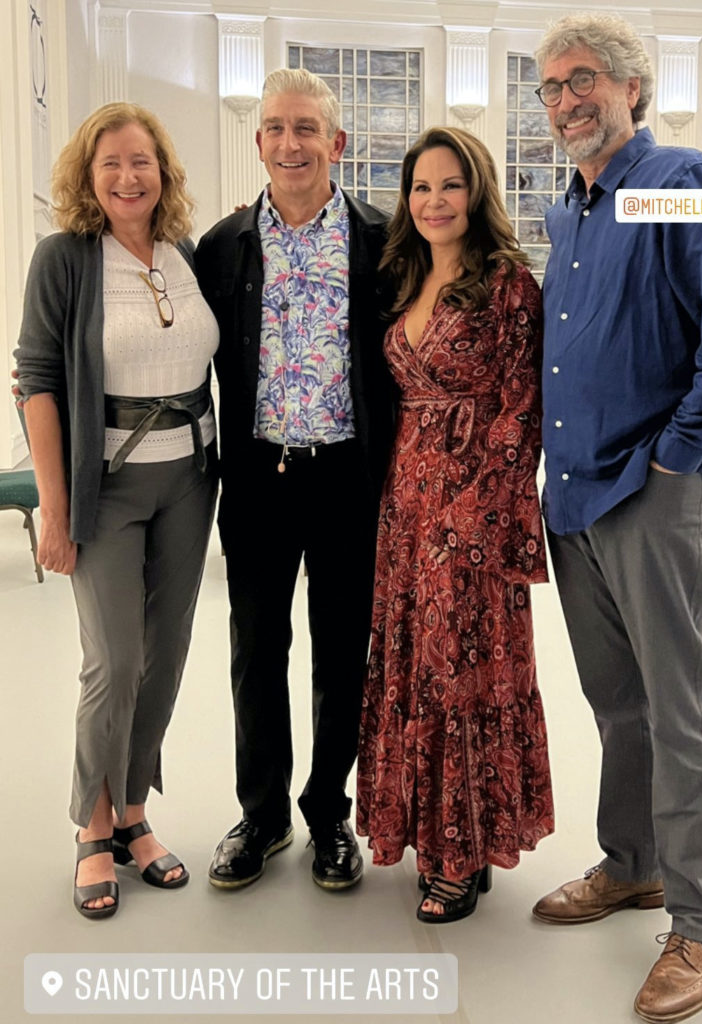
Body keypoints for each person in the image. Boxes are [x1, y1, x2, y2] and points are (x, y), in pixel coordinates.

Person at [531, 14, 702, 1023]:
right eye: (548, 88)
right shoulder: (565, 213)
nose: (565, 100)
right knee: (616, 703)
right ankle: (632, 865)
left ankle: (700, 923)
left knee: (679, 712)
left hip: (653, 491)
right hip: (575, 493)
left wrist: (677, 464)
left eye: (582, 79)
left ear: (632, 86)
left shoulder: (684, 179)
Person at [14, 103, 219, 919]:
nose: (129, 177)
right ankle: (91, 827)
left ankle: (135, 810)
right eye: (111, 165)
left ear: (163, 171)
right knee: (112, 664)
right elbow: (35, 378)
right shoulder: (64, 259)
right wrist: (55, 511)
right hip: (106, 489)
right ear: (87, 177)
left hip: (189, 483)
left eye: (142, 162)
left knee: (163, 658)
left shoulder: (185, 255)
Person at [194, 68, 395, 891]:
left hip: (349, 475)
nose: (290, 142)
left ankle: (327, 815)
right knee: (255, 649)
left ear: (335, 143)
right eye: (275, 127)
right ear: (259, 142)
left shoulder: (383, 241)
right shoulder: (222, 245)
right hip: (258, 477)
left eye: (306, 128)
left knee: (342, 651)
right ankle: (263, 813)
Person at [356, 126, 554, 924]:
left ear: (477, 192)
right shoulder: (401, 276)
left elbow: (521, 408)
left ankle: (465, 850)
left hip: (473, 511)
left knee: (463, 675)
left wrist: (476, 512)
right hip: (403, 504)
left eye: (450, 185)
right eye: (420, 187)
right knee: (413, 668)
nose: (434, 201)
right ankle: (430, 836)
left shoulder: (509, 284)